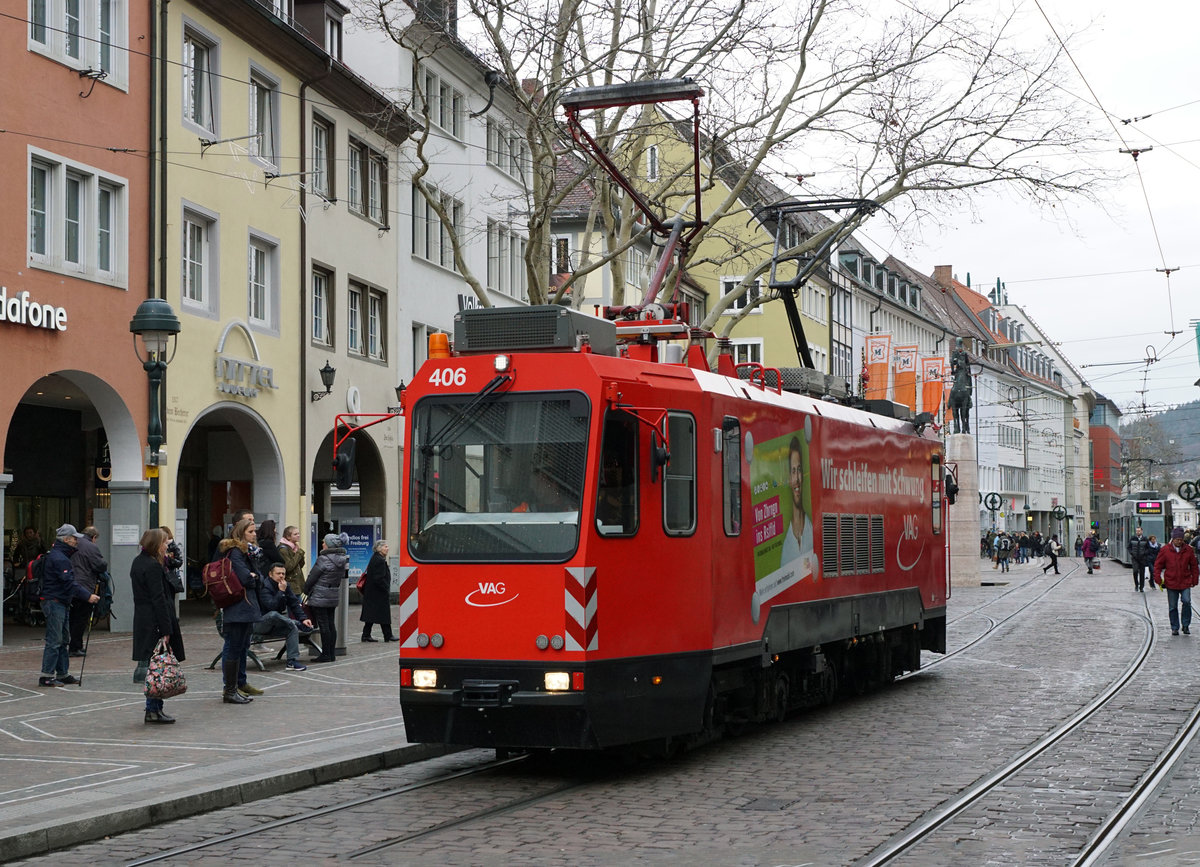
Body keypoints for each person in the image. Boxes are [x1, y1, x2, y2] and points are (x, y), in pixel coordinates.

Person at [131, 528, 185, 724]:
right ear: (156, 544)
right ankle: (153, 708)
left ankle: (154, 709)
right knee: (157, 667)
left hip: (144, 619)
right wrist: (166, 628)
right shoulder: (153, 566)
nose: (166, 546)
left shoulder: (139, 562)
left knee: (154, 665)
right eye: (164, 543)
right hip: (155, 620)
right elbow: (158, 598)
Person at [38, 525, 100, 687]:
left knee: (63, 638)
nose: (76, 541)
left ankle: (62, 673)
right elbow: (69, 584)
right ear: (66, 539)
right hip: (55, 601)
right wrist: (88, 596)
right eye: (74, 538)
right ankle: (46, 675)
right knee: (55, 639)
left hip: (60, 601)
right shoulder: (60, 559)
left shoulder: (61, 556)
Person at [215, 518, 264, 703]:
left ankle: (238, 684)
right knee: (233, 646)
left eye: (255, 531)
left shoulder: (248, 553)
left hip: (245, 604)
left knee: (242, 645)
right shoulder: (235, 552)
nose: (254, 535)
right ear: (241, 532)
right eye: (251, 532)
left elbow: (256, 577)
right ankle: (230, 689)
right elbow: (246, 578)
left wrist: (255, 576)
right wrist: (254, 577)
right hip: (238, 605)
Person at [252, 562, 313, 670]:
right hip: (259, 624)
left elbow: (294, 603)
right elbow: (271, 606)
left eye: (283, 574)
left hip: (277, 624)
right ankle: (295, 623)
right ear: (270, 574)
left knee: (291, 628)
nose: (281, 576)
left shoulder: (285, 585)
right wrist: (280, 592)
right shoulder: (264, 587)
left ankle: (292, 662)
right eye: (278, 573)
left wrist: (304, 618)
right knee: (273, 614)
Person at [305, 533, 349, 663]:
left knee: (324, 625)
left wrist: (306, 589)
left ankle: (325, 654)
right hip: (333, 593)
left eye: (324, 542)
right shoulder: (342, 559)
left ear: (329, 544)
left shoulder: (324, 559)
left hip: (320, 594)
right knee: (331, 624)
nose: (322, 544)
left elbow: (313, 576)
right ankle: (331, 654)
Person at [1153, 527, 1200, 636]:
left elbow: (1194, 566)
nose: (1179, 541)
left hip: (1185, 581)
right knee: (1173, 606)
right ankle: (1174, 627)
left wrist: (1195, 579)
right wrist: (1158, 579)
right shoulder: (1165, 550)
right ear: (1173, 539)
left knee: (1187, 601)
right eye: (1177, 539)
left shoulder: (1188, 550)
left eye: (1181, 539)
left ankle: (1186, 624)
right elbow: (1158, 566)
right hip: (1171, 582)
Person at [68, 526, 107, 657]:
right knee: (81, 618)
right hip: (84, 586)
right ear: (94, 537)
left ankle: (71, 644)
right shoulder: (91, 547)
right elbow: (100, 565)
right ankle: (75, 646)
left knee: (72, 617)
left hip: (70, 585)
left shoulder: (74, 542)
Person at [779, 436, 813, 567]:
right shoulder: (786, 547)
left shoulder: (812, 531)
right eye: (793, 471)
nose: (797, 479)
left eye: (799, 470)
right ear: (788, 478)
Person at [360, 540, 395, 642]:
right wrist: (385, 588)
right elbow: (378, 578)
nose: (387, 548)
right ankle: (387, 635)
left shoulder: (377, 558)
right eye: (385, 546)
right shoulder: (379, 560)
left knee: (372, 614)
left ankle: (367, 635)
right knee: (382, 614)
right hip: (378, 592)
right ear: (379, 548)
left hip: (373, 592)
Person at [278, 525, 307, 596]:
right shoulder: (283, 549)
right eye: (295, 534)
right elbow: (289, 567)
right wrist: (299, 553)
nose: (298, 535)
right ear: (288, 537)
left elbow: (300, 565)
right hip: (291, 585)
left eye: (298, 533)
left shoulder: (294, 547)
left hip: (297, 584)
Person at [159, 525, 185, 597]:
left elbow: (179, 562)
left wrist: (168, 559)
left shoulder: (173, 547)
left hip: (171, 578)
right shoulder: (159, 545)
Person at [1129, 526, 1152, 592]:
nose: (1137, 532)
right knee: (1135, 571)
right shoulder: (1133, 538)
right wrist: (1132, 553)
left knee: (1142, 573)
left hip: (1142, 558)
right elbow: (1129, 547)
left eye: (1139, 531)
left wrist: (1145, 553)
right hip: (1135, 558)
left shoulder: (1145, 539)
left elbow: (1148, 548)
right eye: (1137, 531)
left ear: (1142, 531)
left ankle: (1141, 587)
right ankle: (1136, 585)